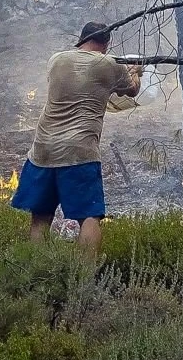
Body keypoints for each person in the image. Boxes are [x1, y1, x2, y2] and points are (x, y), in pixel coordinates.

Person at [11, 21, 141, 253]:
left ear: (82, 40)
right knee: (89, 217)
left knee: (40, 217)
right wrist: (135, 71)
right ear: (106, 44)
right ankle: (84, 280)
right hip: (79, 152)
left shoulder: (57, 60)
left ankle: (36, 273)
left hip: (43, 149)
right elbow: (131, 90)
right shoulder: (109, 64)